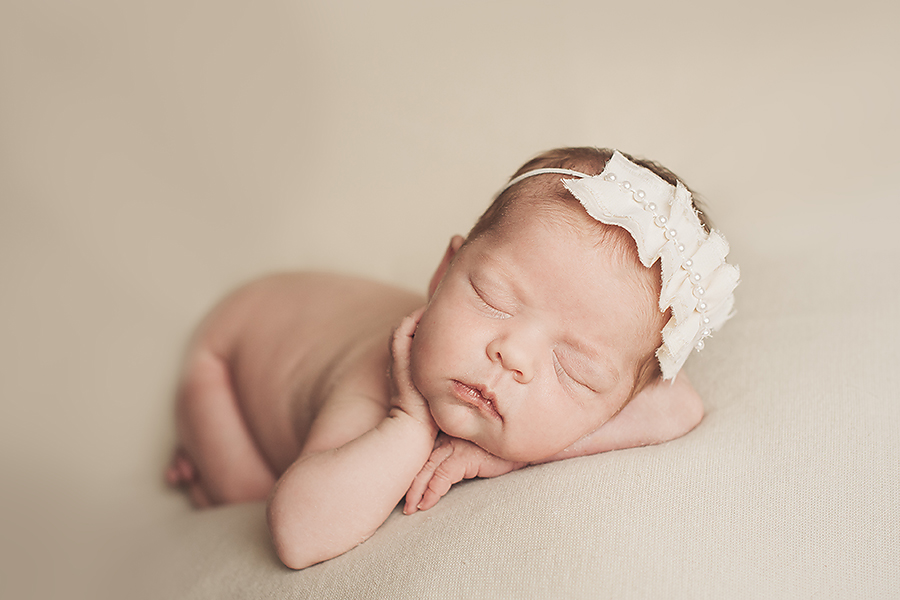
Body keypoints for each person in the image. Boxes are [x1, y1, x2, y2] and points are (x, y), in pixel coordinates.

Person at [164, 147, 739, 569]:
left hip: (307, 314)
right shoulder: (382, 381)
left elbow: (677, 406)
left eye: (575, 370)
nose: (512, 354)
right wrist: (408, 428)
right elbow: (298, 534)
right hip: (232, 348)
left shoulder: (626, 393)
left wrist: (502, 459)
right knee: (249, 497)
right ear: (443, 274)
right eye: (492, 298)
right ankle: (204, 463)